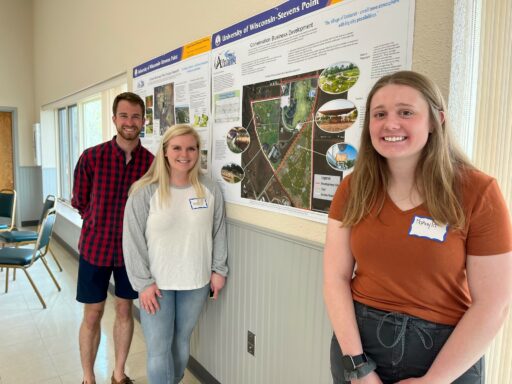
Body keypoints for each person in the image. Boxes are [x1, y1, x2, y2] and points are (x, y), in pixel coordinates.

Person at [323, 71, 512, 384]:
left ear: (436, 120)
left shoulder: (477, 192)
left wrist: (433, 380)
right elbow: (335, 277)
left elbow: (494, 304)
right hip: (361, 346)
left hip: (446, 355)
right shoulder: (353, 189)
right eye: (379, 114)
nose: (391, 124)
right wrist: (358, 367)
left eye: (406, 112)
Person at [123, 124, 228, 384]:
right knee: (159, 349)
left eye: (191, 148)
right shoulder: (144, 190)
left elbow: (218, 232)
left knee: (180, 343)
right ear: (165, 151)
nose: (185, 154)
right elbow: (132, 240)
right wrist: (143, 283)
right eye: (177, 147)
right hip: (155, 286)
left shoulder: (210, 189)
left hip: (195, 282)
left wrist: (219, 270)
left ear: (198, 152)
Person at [72, 92, 154, 384]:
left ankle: (119, 374)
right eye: (124, 116)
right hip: (96, 248)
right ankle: (87, 377)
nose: (129, 122)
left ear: (143, 120)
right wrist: (98, 220)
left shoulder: (153, 163)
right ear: (114, 119)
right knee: (92, 314)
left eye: (135, 116)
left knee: (124, 310)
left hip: (132, 253)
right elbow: (79, 201)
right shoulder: (92, 157)